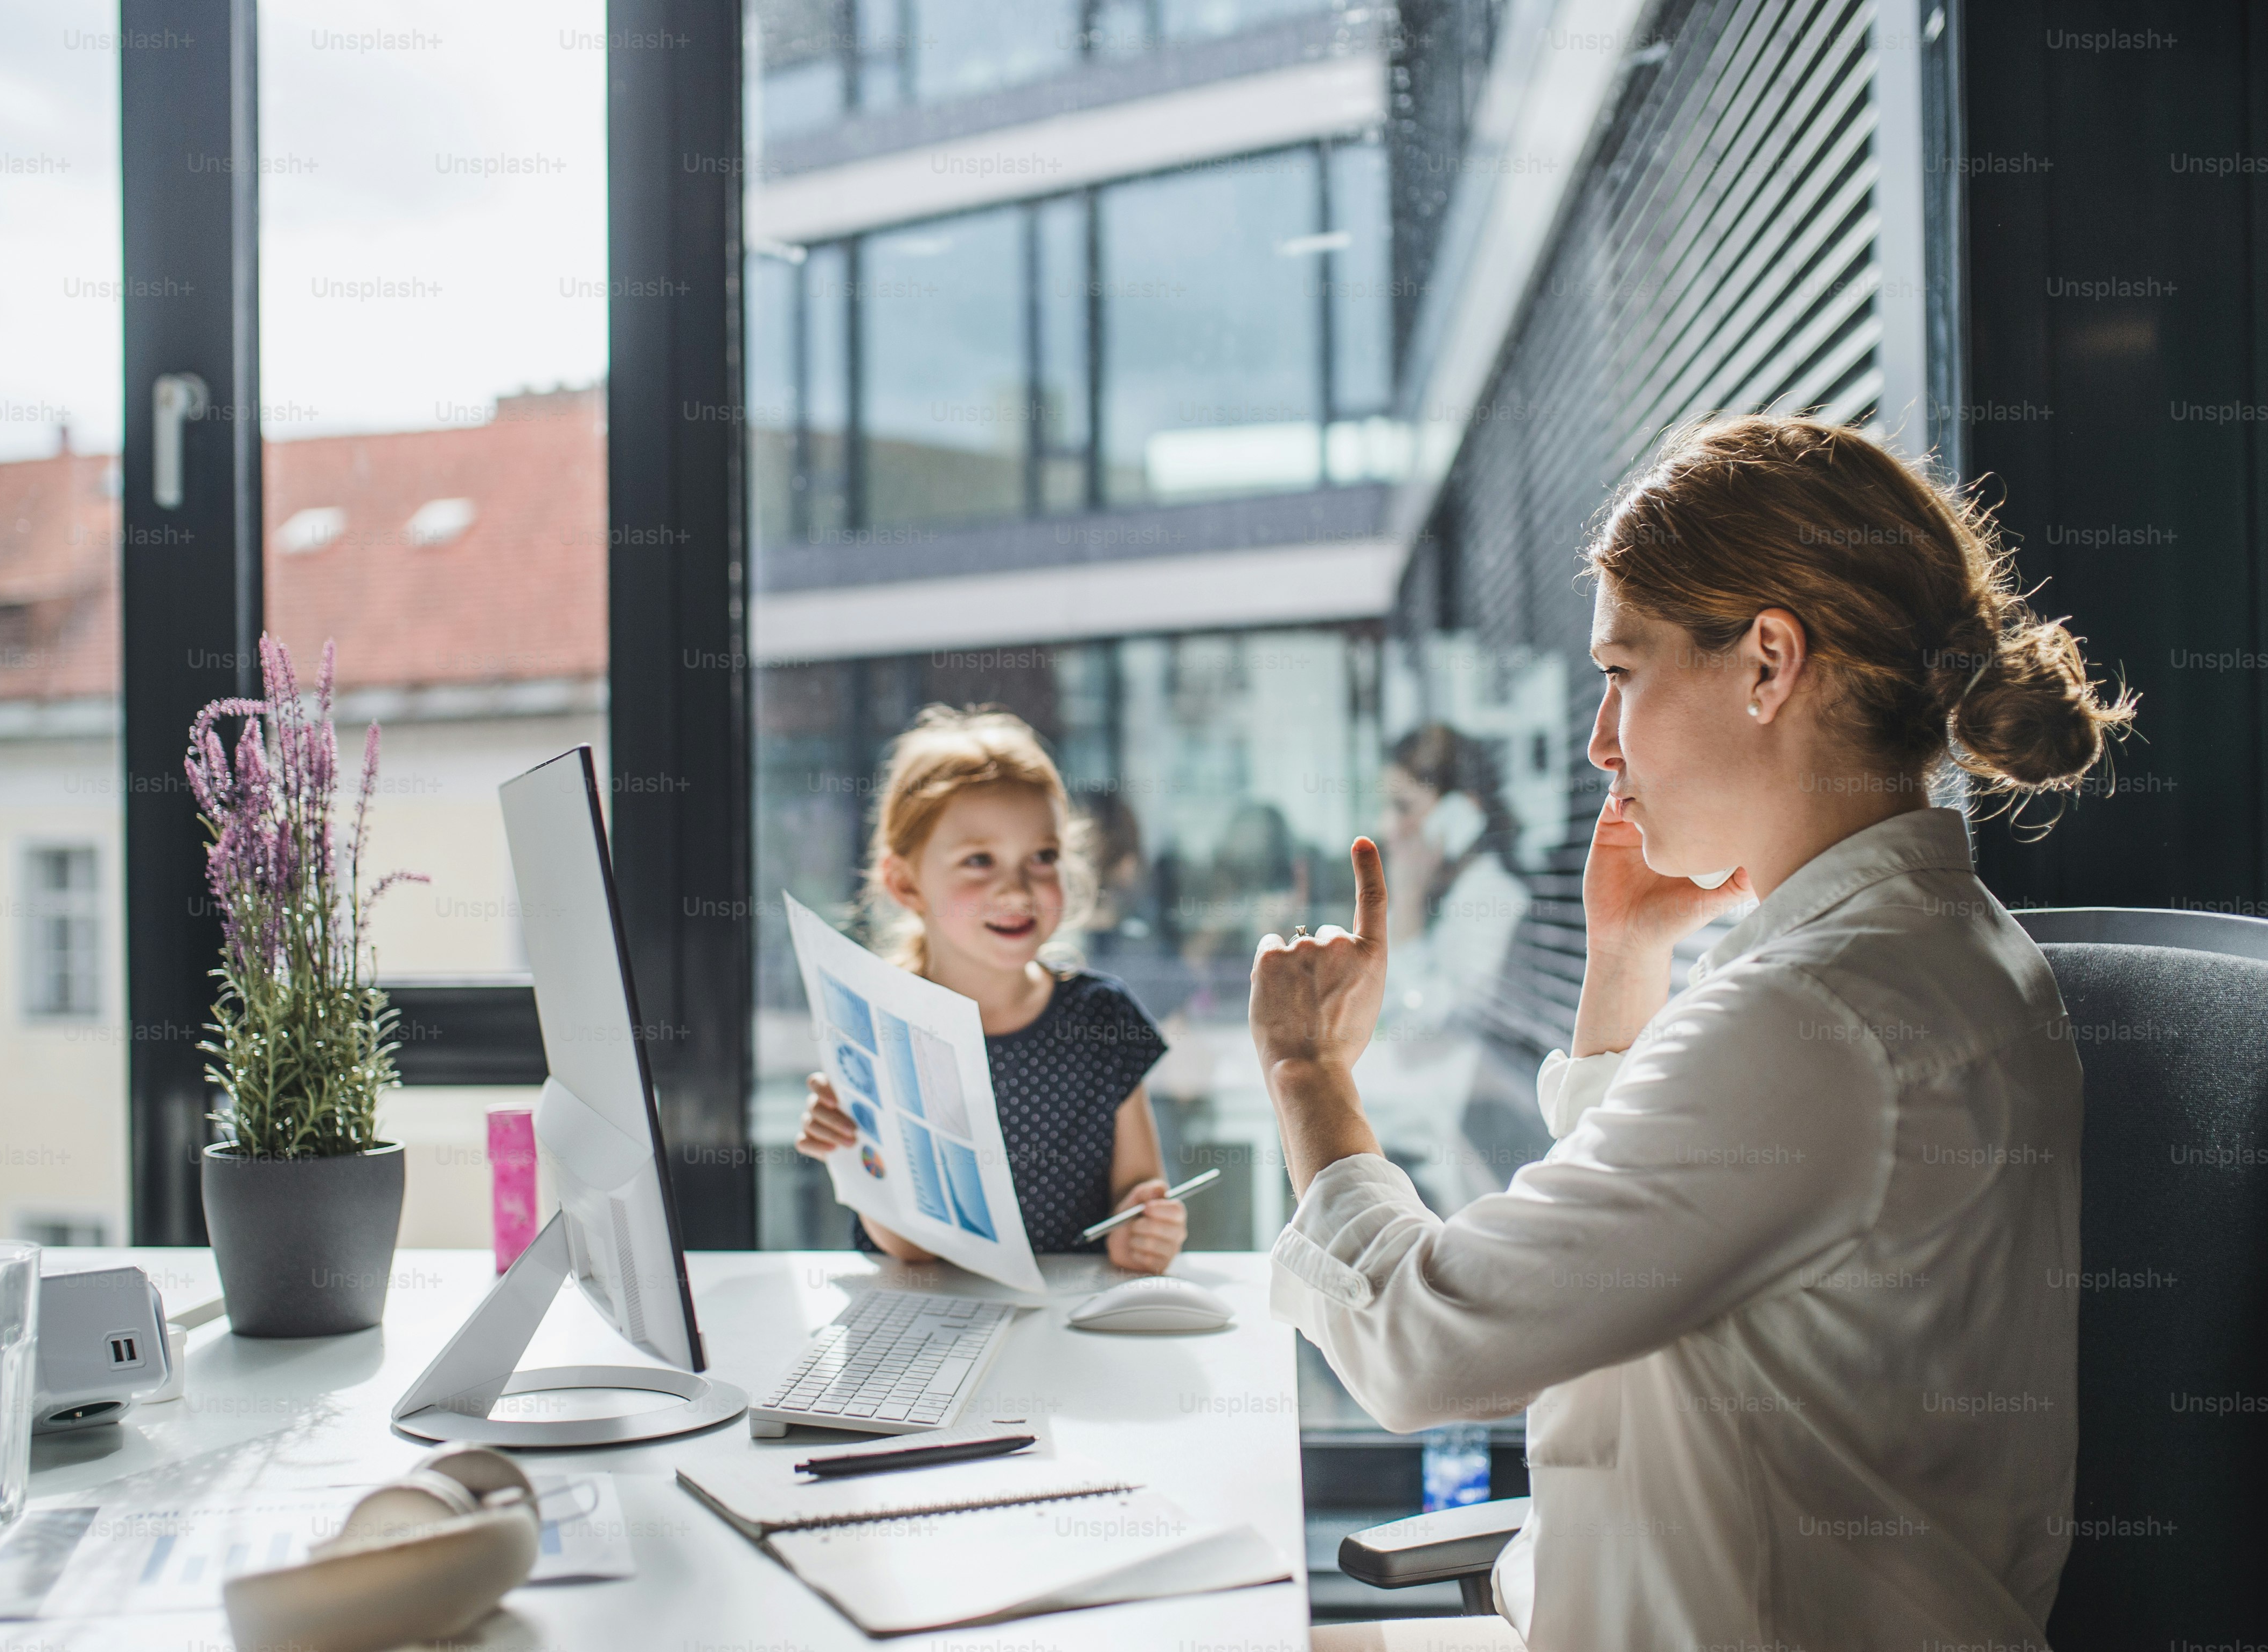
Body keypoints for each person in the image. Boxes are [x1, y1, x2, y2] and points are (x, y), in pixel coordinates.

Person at [1258, 417, 2133, 1651]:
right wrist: (1622, 960)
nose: (1597, 742)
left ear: (1766, 664)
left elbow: (1420, 1342)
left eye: (1621, 674)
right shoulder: (1948, 948)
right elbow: (1661, 1231)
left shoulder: (1816, 1023)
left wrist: (1306, 1074)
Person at [794, 705, 1186, 1273]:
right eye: (979, 860)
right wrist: (850, 1152)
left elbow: (1140, 1188)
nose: (1017, 888)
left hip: (1077, 1325)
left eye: (1043, 858)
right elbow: (910, 1250)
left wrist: (1144, 1228)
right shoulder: (882, 1026)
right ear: (905, 882)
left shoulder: (1105, 1015)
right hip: (934, 1330)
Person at [1361, 724, 1536, 1212]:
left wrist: (1411, 904)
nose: (1388, 826)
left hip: (1467, 1173)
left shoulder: (1493, 899)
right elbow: (1388, 1008)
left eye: (1404, 808)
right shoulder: (1448, 899)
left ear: (1461, 814)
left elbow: (1420, 1030)